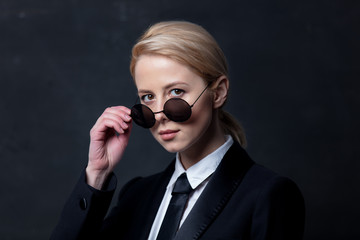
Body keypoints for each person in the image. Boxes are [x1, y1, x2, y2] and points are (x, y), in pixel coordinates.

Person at [51, 21, 305, 240]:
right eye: (148, 97)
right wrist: (97, 173)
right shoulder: (138, 195)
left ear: (218, 92)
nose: (160, 115)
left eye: (176, 92)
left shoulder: (267, 195)